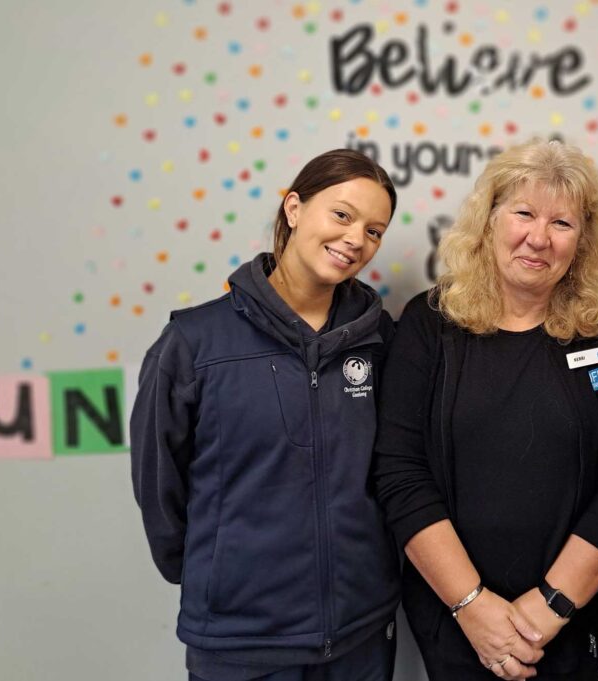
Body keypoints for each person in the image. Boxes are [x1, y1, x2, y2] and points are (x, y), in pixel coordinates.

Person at [372, 139, 598, 681]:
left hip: (571, 619)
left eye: (562, 223)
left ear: (582, 240)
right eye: (523, 213)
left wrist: (551, 606)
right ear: (490, 217)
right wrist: (473, 606)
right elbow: (399, 472)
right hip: (453, 618)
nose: (538, 238)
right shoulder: (429, 323)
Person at [130, 149, 401, 681]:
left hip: (361, 635)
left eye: (374, 231)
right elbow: (158, 483)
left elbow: (397, 473)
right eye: (342, 215)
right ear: (294, 207)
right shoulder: (194, 343)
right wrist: (220, 572)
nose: (356, 240)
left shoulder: (381, 341)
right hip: (240, 641)